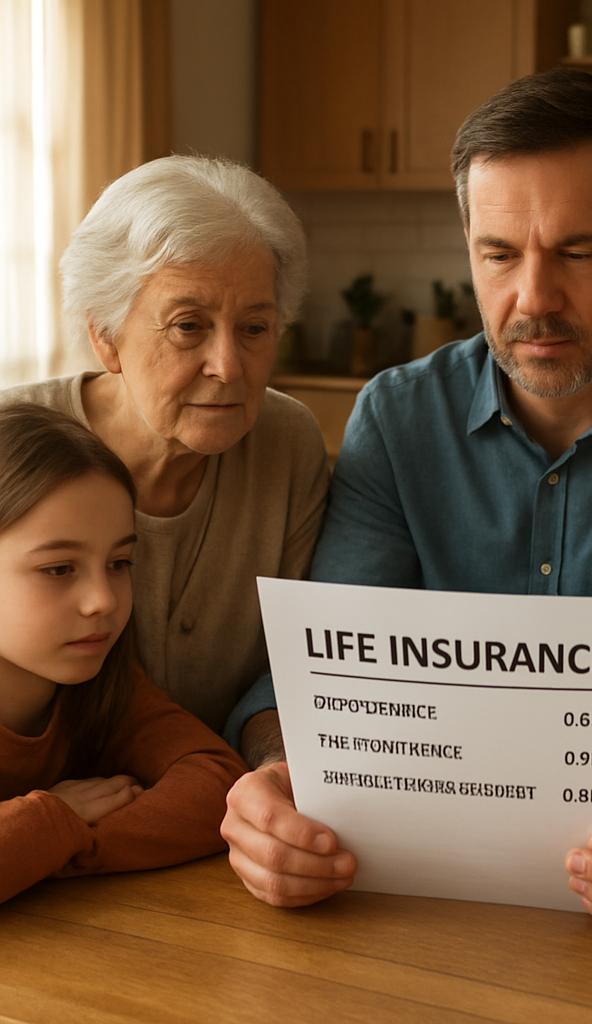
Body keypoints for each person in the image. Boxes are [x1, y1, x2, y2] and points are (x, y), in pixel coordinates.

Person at [221, 68, 592, 931]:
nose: (534, 299)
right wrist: (276, 773)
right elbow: (327, 666)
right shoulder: (397, 414)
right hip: (404, 886)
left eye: (577, 251)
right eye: (499, 254)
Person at [0, 156, 329, 735]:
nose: (228, 367)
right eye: (187, 325)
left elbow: (299, 661)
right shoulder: (14, 437)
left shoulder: (287, 442)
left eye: (254, 328)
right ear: (106, 338)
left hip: (220, 791)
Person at [0, 404, 247, 903]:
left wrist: (71, 841)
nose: (104, 601)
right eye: (58, 569)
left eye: (118, 562)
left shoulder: (106, 683)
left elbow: (217, 781)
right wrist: (52, 814)